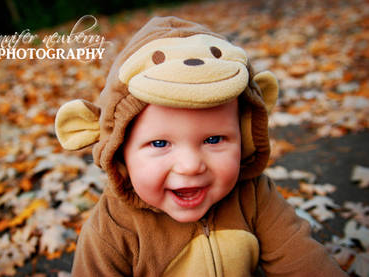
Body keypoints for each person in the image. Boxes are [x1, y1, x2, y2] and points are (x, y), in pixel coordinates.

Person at [55, 16, 347, 276]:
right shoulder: (111, 229)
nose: (191, 165)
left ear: (243, 137)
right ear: (121, 152)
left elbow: (301, 259)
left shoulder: (254, 196)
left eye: (214, 139)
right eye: (159, 143)